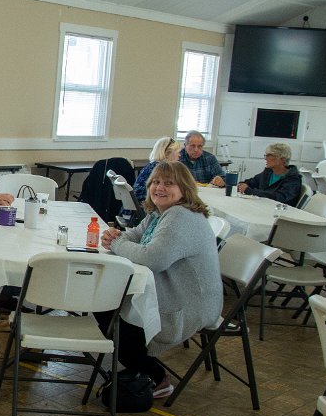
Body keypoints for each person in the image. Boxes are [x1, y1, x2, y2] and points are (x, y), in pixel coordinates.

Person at [99, 161, 222, 398]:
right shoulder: (159, 214)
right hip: (170, 291)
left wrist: (116, 243)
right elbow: (134, 236)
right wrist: (117, 236)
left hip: (190, 305)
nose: (159, 187)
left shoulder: (180, 216)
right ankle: (140, 367)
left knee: (108, 307)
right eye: (155, 182)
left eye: (168, 183)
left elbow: (152, 258)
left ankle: (155, 376)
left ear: (184, 188)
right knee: (108, 304)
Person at [238, 142, 303, 205]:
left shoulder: (293, 179)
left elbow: (280, 197)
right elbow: (251, 182)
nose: (266, 158)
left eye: (269, 155)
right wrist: (241, 185)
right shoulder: (268, 173)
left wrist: (249, 191)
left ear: (282, 159)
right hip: (262, 206)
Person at [133, 136, 179, 202]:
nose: (179, 155)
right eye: (178, 152)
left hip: (137, 203)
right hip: (147, 203)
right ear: (169, 153)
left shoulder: (152, 165)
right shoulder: (162, 168)